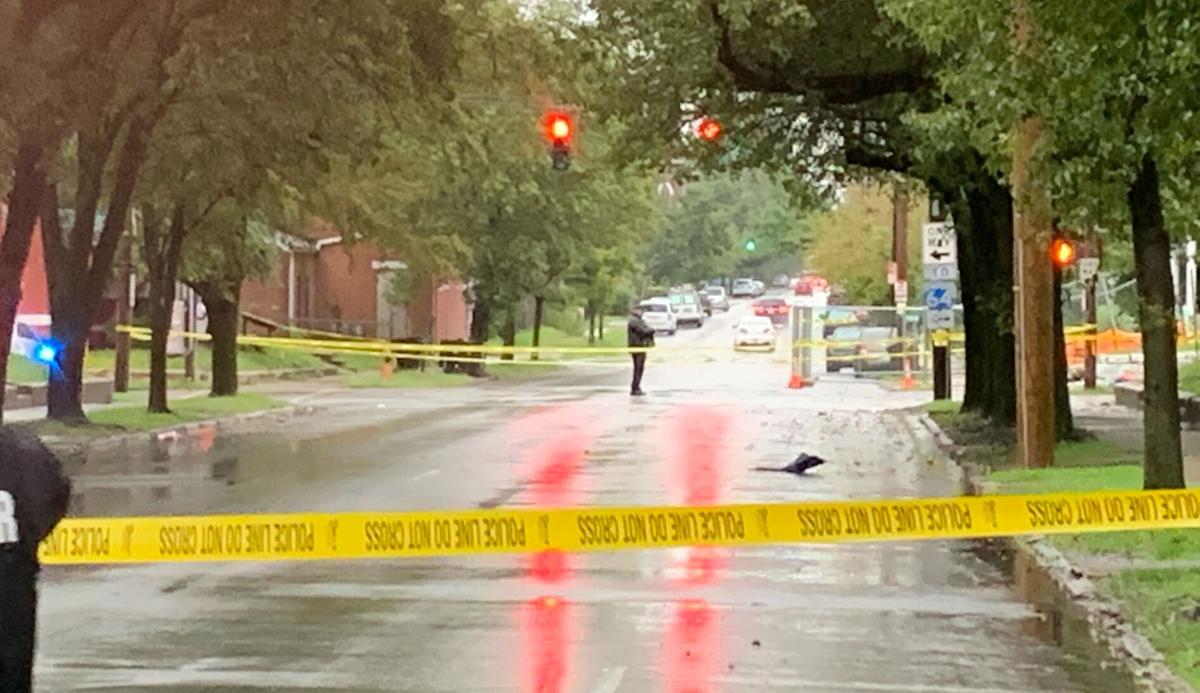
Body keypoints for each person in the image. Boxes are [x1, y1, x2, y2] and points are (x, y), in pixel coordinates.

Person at [1, 426, 71, 693]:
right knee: (13, 667)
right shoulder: (26, 450)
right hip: (13, 575)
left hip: (14, 570)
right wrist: (28, 540)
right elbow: (54, 495)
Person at [627, 306, 655, 396]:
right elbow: (644, 331)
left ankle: (637, 387)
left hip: (641, 347)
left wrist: (650, 330)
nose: (642, 312)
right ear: (635, 311)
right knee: (638, 368)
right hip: (637, 347)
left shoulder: (640, 320)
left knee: (640, 368)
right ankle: (635, 388)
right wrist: (651, 330)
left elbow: (647, 329)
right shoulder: (634, 321)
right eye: (641, 310)